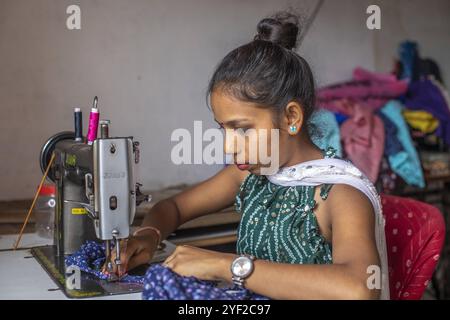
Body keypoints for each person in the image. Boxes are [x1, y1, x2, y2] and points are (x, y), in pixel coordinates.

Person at [109, 12, 388, 300]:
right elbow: (174, 209)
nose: (229, 147)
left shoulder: (339, 194)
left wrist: (226, 265)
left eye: (241, 129)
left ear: (292, 116)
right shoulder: (250, 173)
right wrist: (149, 235)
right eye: (223, 129)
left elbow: (360, 288)